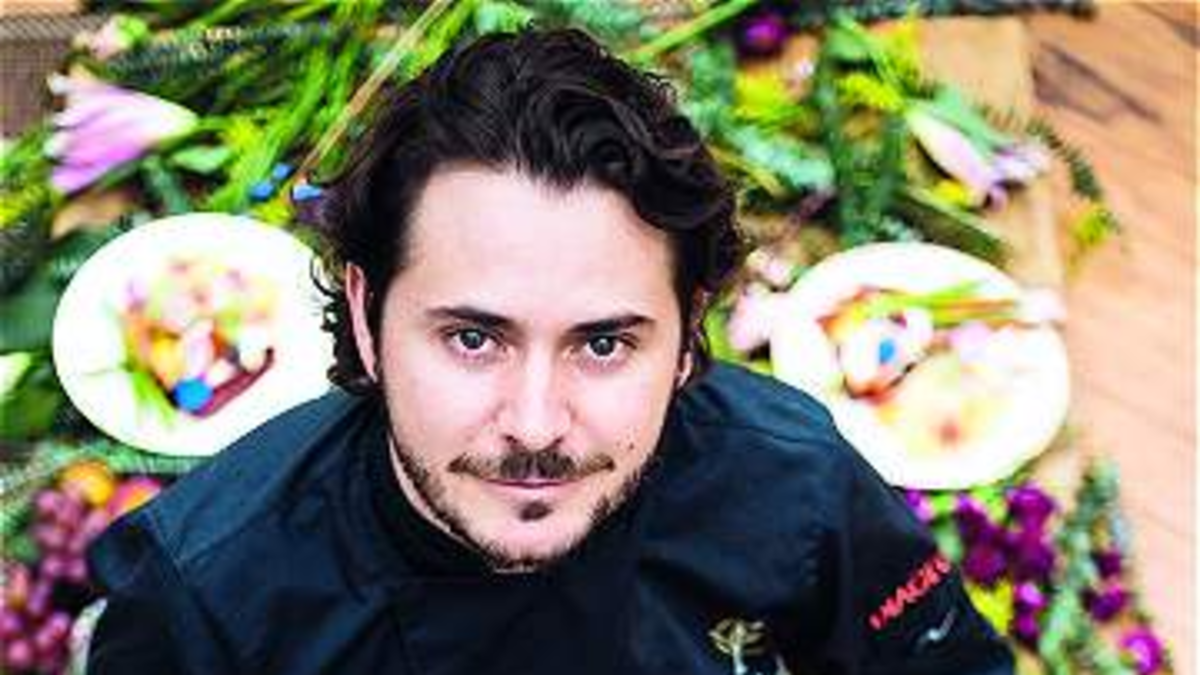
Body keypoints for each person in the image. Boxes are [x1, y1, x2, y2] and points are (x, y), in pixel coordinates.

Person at [86, 28, 1014, 675]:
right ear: (367, 316)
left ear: (688, 334)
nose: (535, 425)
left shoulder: (794, 480)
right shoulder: (204, 594)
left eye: (603, 342)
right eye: (473, 337)